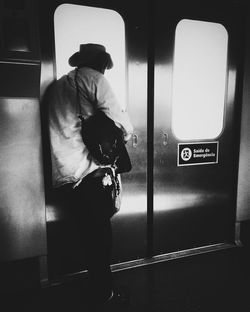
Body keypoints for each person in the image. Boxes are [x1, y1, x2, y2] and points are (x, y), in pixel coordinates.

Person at [48, 43, 133, 306]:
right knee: (100, 237)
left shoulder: (57, 86)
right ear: (100, 63)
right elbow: (122, 124)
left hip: (63, 173)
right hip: (90, 174)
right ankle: (103, 292)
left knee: (85, 235)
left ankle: (94, 287)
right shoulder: (94, 80)